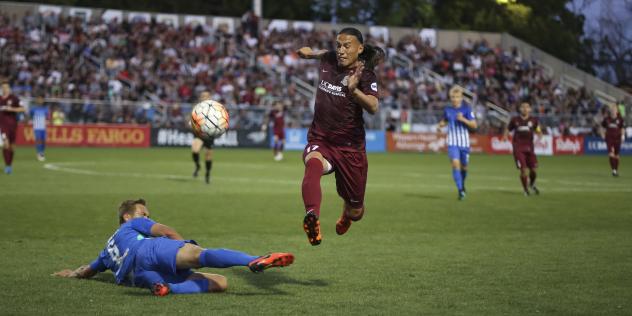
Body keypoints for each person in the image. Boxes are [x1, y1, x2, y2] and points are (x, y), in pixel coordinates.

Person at [52, 199, 294, 296]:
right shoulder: (133, 225)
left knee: (220, 283)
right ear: (127, 216)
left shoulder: (106, 251)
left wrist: (72, 273)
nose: (147, 216)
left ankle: (162, 286)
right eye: (142, 213)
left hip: (136, 275)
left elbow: (89, 270)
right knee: (201, 255)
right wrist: (182, 247)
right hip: (149, 250)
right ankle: (252, 259)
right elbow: (166, 232)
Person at [296, 27, 384, 246]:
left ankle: (347, 214)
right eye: (338, 45)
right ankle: (312, 217)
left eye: (347, 46)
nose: (341, 50)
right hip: (321, 139)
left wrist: (354, 91)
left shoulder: (365, 75)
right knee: (313, 163)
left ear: (360, 49)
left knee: (356, 211)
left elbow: (373, 106)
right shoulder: (328, 59)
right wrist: (308, 53)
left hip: (349, 148)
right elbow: (320, 53)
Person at [437, 86, 477, 200]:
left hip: (464, 143)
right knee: (455, 164)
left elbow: (474, 125)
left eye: (457, 97)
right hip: (452, 142)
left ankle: (462, 185)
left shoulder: (467, 109)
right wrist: (440, 125)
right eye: (453, 97)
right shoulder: (448, 110)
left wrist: (463, 119)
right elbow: (445, 120)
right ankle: (460, 190)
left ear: (461, 98)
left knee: (464, 167)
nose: (455, 99)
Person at [506, 102, 542, 195]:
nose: (525, 109)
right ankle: (525, 190)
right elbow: (508, 129)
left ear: (530, 109)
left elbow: (538, 130)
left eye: (527, 107)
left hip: (530, 148)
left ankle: (532, 184)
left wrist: (540, 135)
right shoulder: (515, 120)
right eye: (523, 107)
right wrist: (505, 136)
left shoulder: (534, 120)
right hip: (518, 148)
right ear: (520, 109)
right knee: (523, 169)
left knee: (533, 170)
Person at [0, 81, 26, 174]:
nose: (4, 89)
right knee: (6, 144)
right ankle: (7, 166)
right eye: (3, 87)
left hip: (13, 126)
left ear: (9, 89)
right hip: (3, 126)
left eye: (6, 87)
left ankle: (9, 164)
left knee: (12, 147)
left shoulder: (14, 98)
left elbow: (23, 109)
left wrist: (11, 109)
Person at [191, 91, 214, 184]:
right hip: (199, 134)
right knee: (195, 150)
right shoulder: (196, 108)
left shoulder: (214, 109)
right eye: (202, 96)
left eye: (206, 96)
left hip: (209, 135)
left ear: (210, 98)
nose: (203, 98)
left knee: (208, 156)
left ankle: (207, 173)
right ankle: (197, 166)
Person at [601, 104, 625, 177]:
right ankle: (614, 170)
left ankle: (616, 170)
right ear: (610, 111)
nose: (613, 111)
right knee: (611, 154)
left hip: (617, 138)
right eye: (612, 109)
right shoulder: (607, 119)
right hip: (609, 138)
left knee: (617, 155)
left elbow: (622, 128)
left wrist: (623, 136)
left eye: (614, 109)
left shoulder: (620, 119)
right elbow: (602, 127)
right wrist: (602, 134)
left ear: (617, 111)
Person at [28, 95, 49, 161]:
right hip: (37, 127)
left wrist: (48, 121)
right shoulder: (33, 108)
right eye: (39, 99)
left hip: (43, 127)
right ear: (37, 100)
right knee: (39, 140)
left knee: (43, 141)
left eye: (41, 99)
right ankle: (39, 153)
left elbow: (48, 117)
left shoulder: (45, 109)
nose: (40, 100)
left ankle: (42, 152)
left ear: (43, 100)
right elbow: (29, 116)